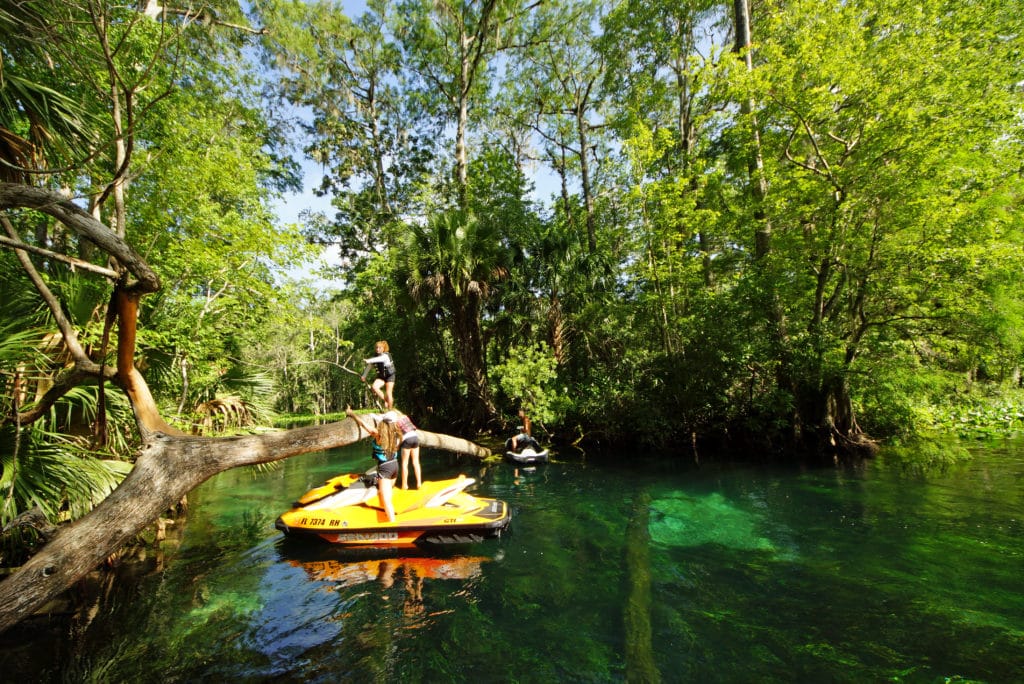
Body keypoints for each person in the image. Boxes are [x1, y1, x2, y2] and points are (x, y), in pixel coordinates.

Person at [346, 407, 401, 522]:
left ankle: (393, 526)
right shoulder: (397, 433)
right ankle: (389, 514)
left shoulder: (378, 434)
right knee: (388, 493)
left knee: (386, 500)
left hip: (385, 468)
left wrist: (351, 413)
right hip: (395, 465)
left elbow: (362, 424)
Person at [385, 409, 421, 490]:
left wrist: (397, 446)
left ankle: (404, 485)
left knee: (405, 463)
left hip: (407, 440)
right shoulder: (405, 416)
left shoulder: (395, 421)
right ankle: (419, 483)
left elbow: (400, 436)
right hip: (415, 437)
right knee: (416, 462)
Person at [362, 340, 396, 409]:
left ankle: (390, 410)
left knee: (389, 393)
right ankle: (386, 401)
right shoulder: (375, 357)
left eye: (379, 348)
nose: (377, 349)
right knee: (374, 387)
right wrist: (364, 376)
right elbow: (369, 366)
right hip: (381, 376)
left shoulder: (386, 355)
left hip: (390, 376)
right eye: (376, 348)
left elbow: (379, 359)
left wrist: (368, 360)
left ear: (383, 348)